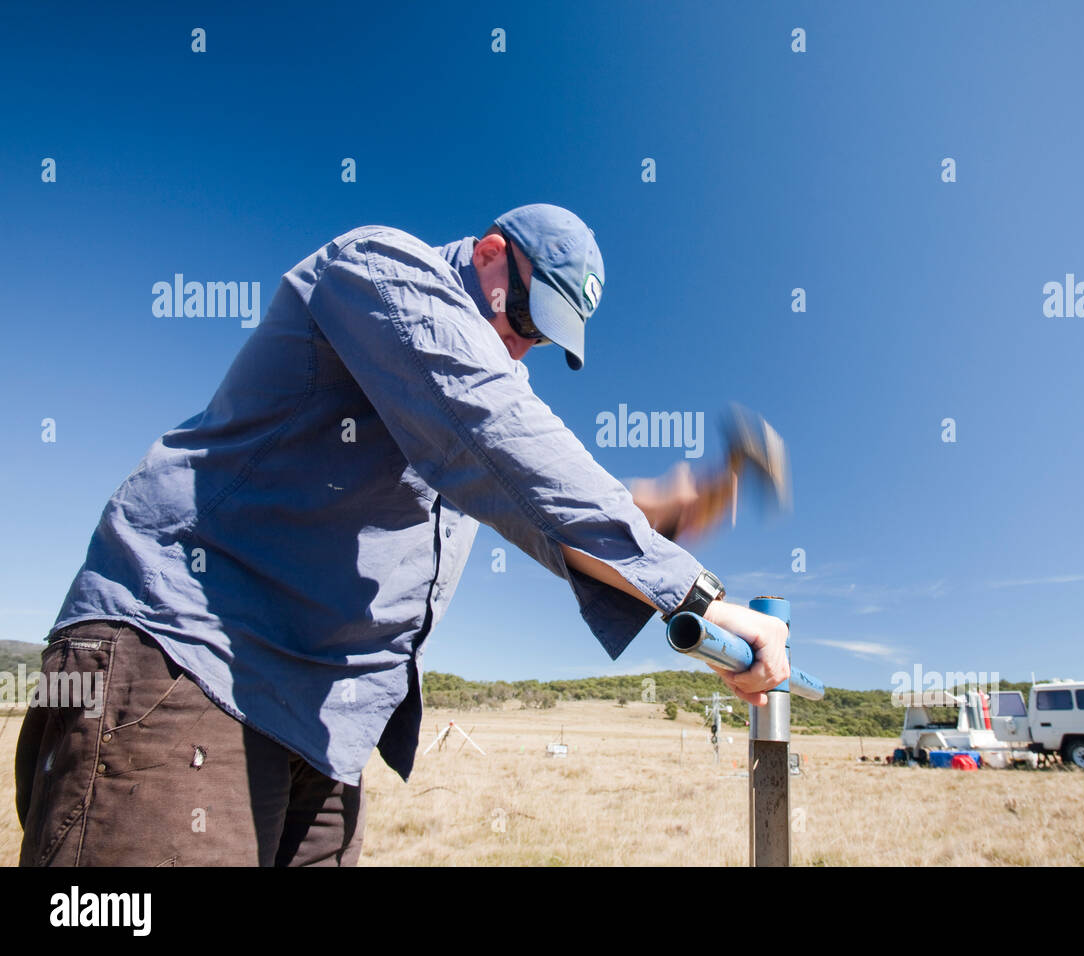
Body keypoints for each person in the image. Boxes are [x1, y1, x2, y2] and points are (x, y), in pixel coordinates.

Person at [15, 203, 790, 866]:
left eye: (544, 339)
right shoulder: (382, 268)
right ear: (491, 254)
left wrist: (678, 503)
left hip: (327, 728)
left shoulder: (489, 393)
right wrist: (696, 597)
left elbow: (547, 491)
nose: (524, 347)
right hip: (191, 662)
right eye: (523, 317)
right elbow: (496, 437)